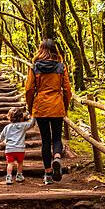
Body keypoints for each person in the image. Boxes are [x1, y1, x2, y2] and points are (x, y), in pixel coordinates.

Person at [25, 38, 72, 185]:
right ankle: (57, 157)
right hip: (57, 105)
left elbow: (29, 89)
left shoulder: (35, 67)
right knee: (57, 137)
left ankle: (47, 175)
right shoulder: (61, 67)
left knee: (45, 140)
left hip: (41, 106)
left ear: (41, 49)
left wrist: (30, 106)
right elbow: (67, 90)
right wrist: (65, 105)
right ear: (54, 50)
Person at [0, 107, 36, 185]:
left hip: (9, 149)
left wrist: (4, 141)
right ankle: (19, 176)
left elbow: (1, 137)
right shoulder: (23, 125)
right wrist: (33, 115)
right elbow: (32, 124)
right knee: (20, 162)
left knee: (10, 163)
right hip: (20, 149)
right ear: (21, 117)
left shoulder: (7, 127)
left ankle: (9, 177)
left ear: (9, 117)